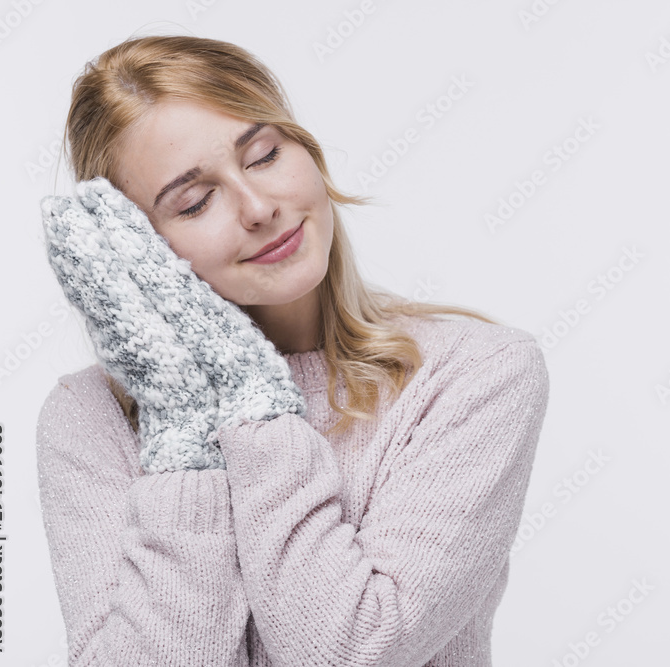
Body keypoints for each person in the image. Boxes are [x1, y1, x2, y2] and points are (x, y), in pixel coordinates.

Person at [35, 34, 550, 666]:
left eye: (264, 155)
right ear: (135, 249)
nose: (259, 208)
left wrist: (250, 399)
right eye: (195, 202)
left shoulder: (476, 373)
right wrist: (184, 428)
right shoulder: (88, 418)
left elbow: (349, 651)